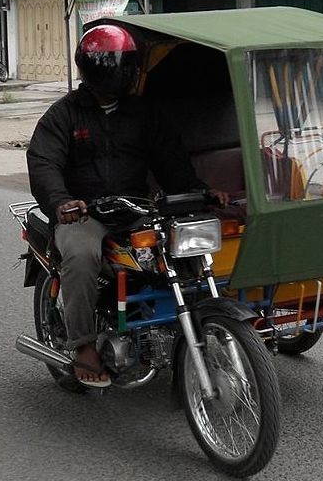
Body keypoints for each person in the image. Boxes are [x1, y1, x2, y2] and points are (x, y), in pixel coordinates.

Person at [27, 24, 227, 388]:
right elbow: (43, 163)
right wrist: (60, 203)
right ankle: (83, 344)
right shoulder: (64, 115)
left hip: (134, 208)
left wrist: (200, 193)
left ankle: (183, 326)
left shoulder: (144, 113)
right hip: (83, 213)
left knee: (183, 246)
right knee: (80, 254)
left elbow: (171, 161)